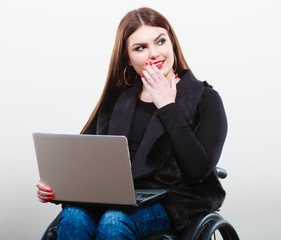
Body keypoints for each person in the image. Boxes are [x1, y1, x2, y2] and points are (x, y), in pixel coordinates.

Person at [36, 7, 227, 240]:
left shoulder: (205, 99)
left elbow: (198, 168)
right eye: (140, 48)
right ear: (128, 57)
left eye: (160, 42)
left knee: (115, 221)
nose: (154, 53)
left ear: (172, 44)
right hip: (115, 196)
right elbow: (82, 158)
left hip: (175, 198)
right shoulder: (117, 100)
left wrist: (167, 106)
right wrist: (56, 184)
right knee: (75, 216)